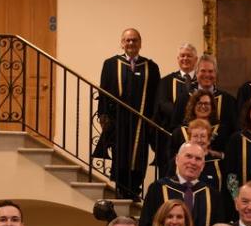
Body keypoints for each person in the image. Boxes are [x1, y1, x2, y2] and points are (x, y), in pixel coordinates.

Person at [94, 28, 161, 198]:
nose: (131, 43)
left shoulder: (151, 67)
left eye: (134, 40)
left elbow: (156, 96)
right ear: (122, 43)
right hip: (118, 121)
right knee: (120, 154)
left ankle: (134, 188)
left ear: (140, 43)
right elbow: (104, 91)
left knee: (139, 157)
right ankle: (121, 188)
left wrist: (154, 121)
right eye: (127, 40)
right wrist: (103, 116)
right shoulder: (110, 64)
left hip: (141, 122)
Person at [138, 142, 229, 226]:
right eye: (188, 156)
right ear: (177, 159)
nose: (193, 162)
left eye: (198, 159)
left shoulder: (213, 196)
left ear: (203, 165)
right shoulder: (158, 189)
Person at [154, 42, 198, 170]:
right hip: (171, 136)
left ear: (196, 59)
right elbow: (162, 104)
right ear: (178, 59)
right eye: (182, 56)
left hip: (196, 135)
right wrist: (185, 115)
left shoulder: (201, 82)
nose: (185, 59)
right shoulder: (166, 81)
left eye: (189, 56)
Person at [168, 90, 228, 182]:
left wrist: (215, 154)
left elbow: (228, 157)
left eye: (207, 104)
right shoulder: (179, 132)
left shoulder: (222, 131)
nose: (203, 106)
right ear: (193, 106)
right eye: (199, 103)